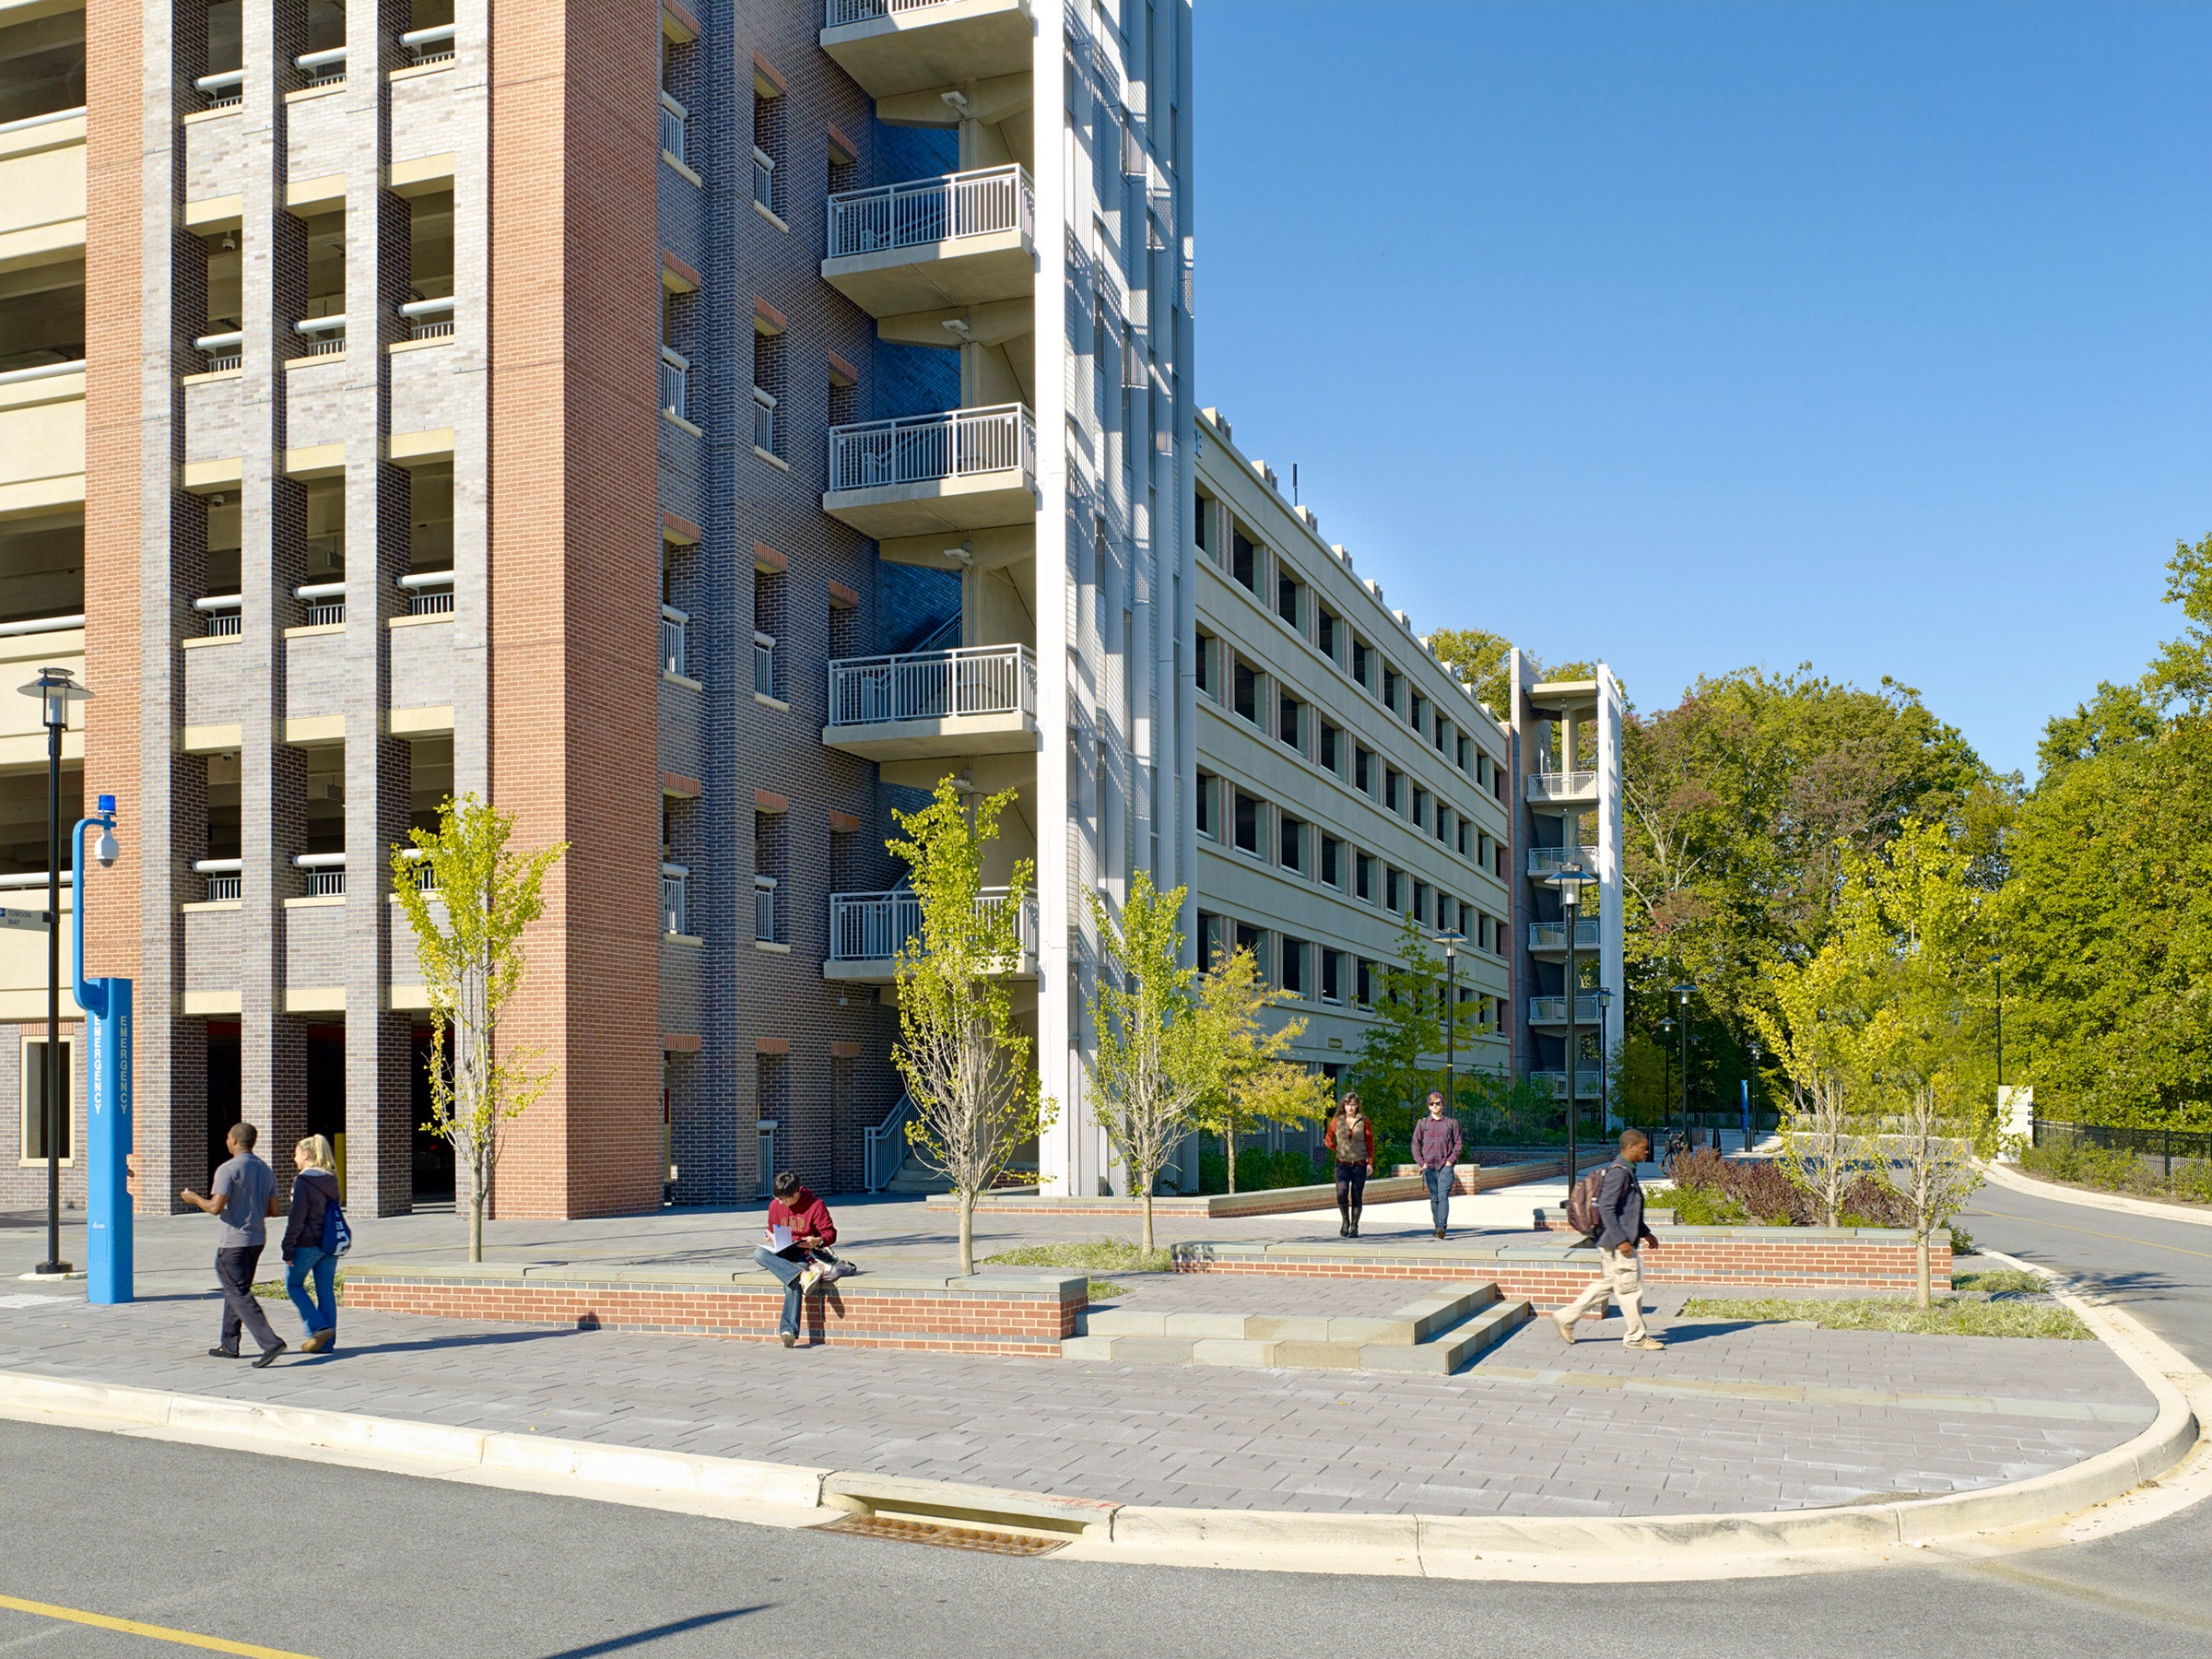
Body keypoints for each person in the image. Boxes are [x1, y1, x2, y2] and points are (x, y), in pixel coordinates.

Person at [179, 1122, 286, 1367]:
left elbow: (215, 1207)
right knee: (235, 1290)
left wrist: (193, 1198)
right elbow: (274, 1210)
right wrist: (250, 1209)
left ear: (235, 1141)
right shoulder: (265, 1169)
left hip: (234, 1242)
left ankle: (271, 1342)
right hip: (257, 1239)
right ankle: (229, 1345)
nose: (226, 1140)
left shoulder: (227, 1169)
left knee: (237, 1292)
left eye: (228, 1137)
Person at [1551, 1128, 1664, 1351]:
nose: (1647, 1150)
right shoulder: (1619, 1172)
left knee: (1609, 1284)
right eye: (1643, 1147)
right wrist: (1622, 1241)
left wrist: (1645, 1232)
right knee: (1630, 1290)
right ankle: (1636, 1337)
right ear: (1630, 1148)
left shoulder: (1627, 1170)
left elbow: (1627, 1210)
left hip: (1614, 1241)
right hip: (1617, 1244)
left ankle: (1565, 1317)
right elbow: (1607, 1208)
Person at [752, 1171, 839, 1348]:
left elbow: (831, 1233)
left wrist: (817, 1240)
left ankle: (788, 1331)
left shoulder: (815, 1205)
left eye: (784, 1200)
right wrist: (771, 1235)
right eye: (777, 1198)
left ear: (796, 1194)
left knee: (791, 1283)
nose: (780, 1203)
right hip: (782, 1251)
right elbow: (772, 1228)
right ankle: (802, 1275)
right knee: (759, 1254)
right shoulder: (774, 1205)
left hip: (803, 1253)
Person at [282, 1135, 343, 1355]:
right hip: (329, 1243)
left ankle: (318, 1328)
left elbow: (297, 1218)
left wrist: (287, 1246)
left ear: (306, 1154)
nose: (294, 1157)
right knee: (325, 1290)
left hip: (307, 1243)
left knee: (293, 1285)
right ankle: (327, 1343)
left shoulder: (304, 1181)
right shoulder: (331, 1178)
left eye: (296, 1153)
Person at [1411, 1089, 1464, 1240]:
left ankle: (1442, 1226)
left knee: (1443, 1197)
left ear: (1442, 1105)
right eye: (1432, 1104)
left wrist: (1450, 1161)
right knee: (1434, 1198)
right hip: (1429, 1167)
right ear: (1428, 1106)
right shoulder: (1422, 1123)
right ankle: (1437, 1226)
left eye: (1437, 1103)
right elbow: (1415, 1144)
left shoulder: (1451, 1123)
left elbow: (1458, 1143)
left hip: (1445, 1166)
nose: (1435, 1106)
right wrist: (1422, 1164)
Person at [1324, 1092, 1374, 1238]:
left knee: (1357, 1195)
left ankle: (1354, 1226)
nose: (1350, 1108)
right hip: (1342, 1163)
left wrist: (1370, 1162)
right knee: (1341, 1193)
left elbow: (1370, 1143)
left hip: (1359, 1163)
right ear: (1343, 1105)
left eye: (1352, 1105)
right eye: (1347, 1105)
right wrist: (1337, 1149)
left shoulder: (1364, 1121)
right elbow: (1328, 1139)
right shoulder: (1337, 1120)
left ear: (1357, 1105)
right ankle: (1345, 1221)